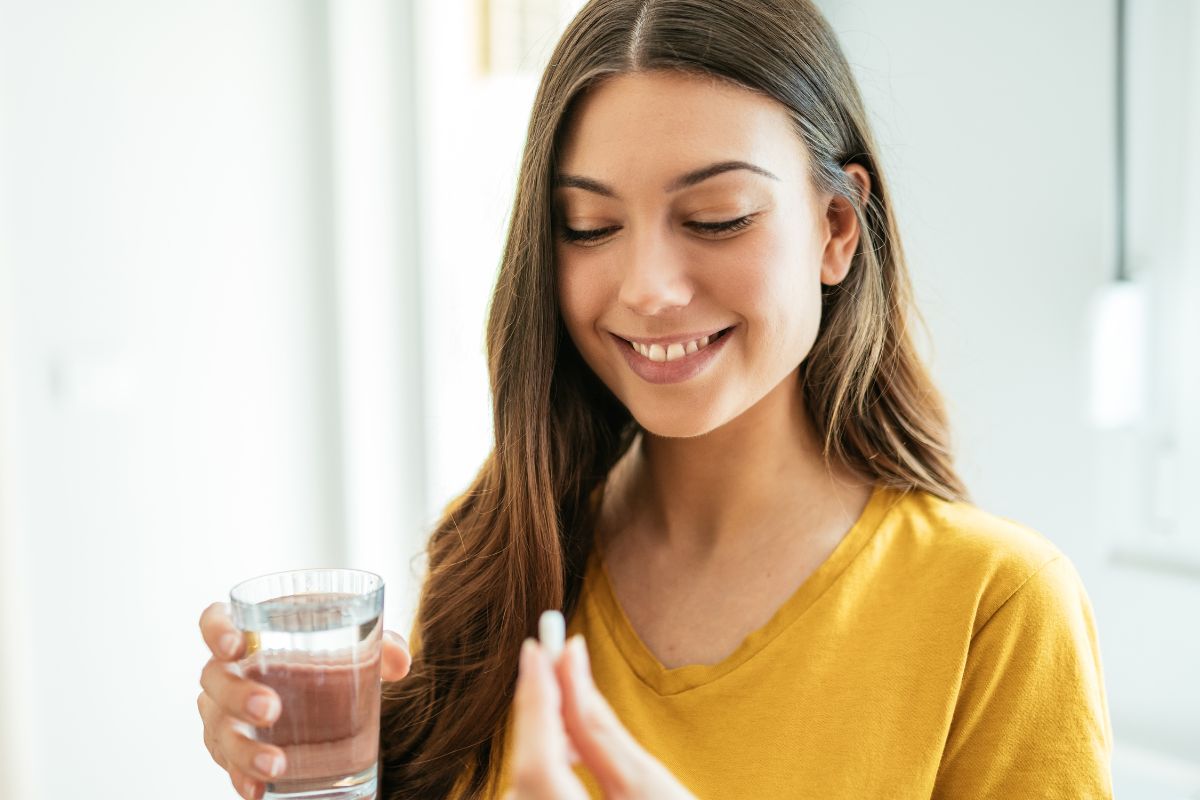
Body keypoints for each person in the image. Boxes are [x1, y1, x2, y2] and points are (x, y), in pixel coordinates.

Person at [197, 0, 1115, 797]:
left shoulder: (994, 611)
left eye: (716, 217)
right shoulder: (490, 561)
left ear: (837, 227)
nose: (646, 288)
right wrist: (321, 768)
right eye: (588, 227)